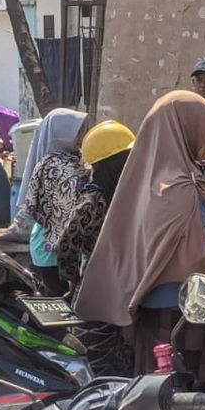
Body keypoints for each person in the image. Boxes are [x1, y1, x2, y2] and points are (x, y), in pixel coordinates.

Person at [74, 91, 205, 385]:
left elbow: (186, 243)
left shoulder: (158, 177)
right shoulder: (176, 189)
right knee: (196, 396)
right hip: (186, 314)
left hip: (183, 307)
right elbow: (197, 262)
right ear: (182, 128)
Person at [56, 120, 135, 293]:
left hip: (114, 282)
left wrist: (73, 280)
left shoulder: (105, 196)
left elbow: (66, 242)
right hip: (116, 283)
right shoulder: (98, 199)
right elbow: (67, 241)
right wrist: (74, 280)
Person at [20, 109, 89, 296]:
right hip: (54, 252)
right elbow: (68, 213)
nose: (83, 136)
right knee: (61, 310)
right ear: (63, 134)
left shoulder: (56, 160)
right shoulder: (59, 167)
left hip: (45, 249)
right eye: (78, 132)